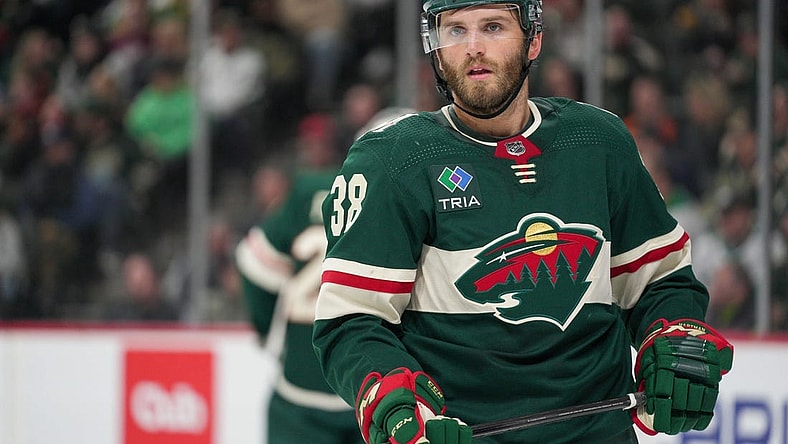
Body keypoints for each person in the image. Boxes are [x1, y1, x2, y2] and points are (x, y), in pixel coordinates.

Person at [312, 2, 734, 443]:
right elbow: (353, 320)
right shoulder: (394, 161)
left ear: (534, 39)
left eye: (492, 27)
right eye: (455, 31)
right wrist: (391, 400)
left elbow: (658, 280)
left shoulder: (599, 144)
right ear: (435, 50)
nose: (472, 47)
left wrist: (672, 333)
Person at [234, 114, 363, 444]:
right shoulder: (381, 191)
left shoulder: (303, 190)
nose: (312, 150)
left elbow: (253, 260)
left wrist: (266, 329)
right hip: (365, 379)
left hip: (300, 387)